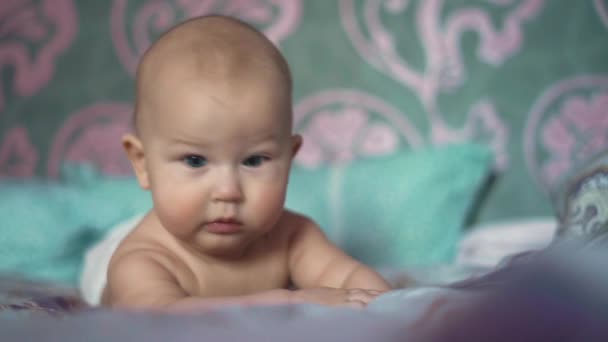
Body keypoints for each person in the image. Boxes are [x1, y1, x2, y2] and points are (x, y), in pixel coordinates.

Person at [81, 14, 391, 311]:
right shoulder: (141, 259)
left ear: (289, 159)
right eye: (195, 160)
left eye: (254, 160)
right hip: (112, 258)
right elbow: (158, 316)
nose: (228, 191)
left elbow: (356, 283)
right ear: (143, 163)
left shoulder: (292, 236)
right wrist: (290, 303)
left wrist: (385, 305)